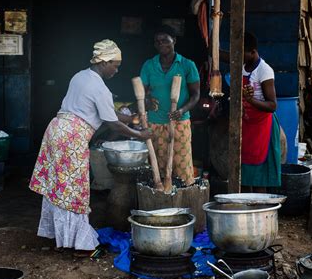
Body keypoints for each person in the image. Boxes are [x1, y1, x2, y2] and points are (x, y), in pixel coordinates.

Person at [29, 39, 151, 257]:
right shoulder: (99, 87)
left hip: (56, 131)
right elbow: (112, 123)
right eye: (116, 64)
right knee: (74, 190)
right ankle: (79, 246)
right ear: (105, 61)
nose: (117, 69)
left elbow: (107, 114)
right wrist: (139, 134)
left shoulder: (81, 76)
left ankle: (63, 240)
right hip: (71, 138)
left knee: (60, 187)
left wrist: (131, 117)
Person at [140, 25, 200, 186]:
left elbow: (196, 95)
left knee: (181, 167)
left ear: (174, 41)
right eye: (157, 42)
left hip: (179, 123)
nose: (161, 44)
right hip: (155, 123)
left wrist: (182, 110)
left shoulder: (187, 65)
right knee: (157, 167)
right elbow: (142, 93)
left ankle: (181, 199)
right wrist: (146, 101)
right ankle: (161, 199)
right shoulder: (149, 65)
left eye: (165, 41)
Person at [239, 32, 281, 192]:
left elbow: (272, 105)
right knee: (243, 171)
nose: (239, 56)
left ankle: (259, 211)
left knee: (259, 176)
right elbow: (223, 55)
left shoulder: (264, 70)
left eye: (242, 53)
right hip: (247, 123)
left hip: (262, 126)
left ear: (253, 52)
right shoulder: (243, 66)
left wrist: (250, 101)